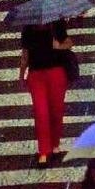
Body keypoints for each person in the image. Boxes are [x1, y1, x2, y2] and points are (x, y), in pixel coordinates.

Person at [19, 19, 71, 167]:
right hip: (36, 76)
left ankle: (55, 144)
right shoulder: (28, 29)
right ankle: (44, 151)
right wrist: (21, 75)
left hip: (57, 74)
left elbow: (69, 43)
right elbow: (25, 55)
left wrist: (59, 46)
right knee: (41, 112)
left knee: (56, 111)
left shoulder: (57, 24)